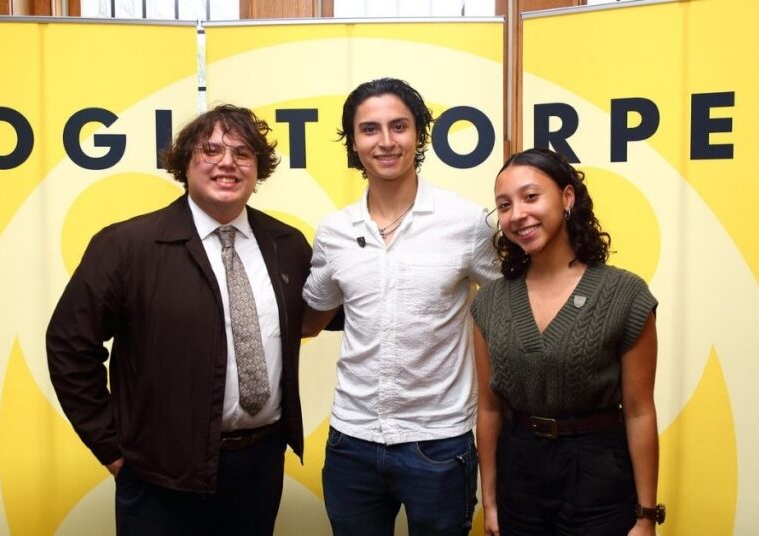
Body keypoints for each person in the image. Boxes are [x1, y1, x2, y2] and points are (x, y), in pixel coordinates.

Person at [47, 104, 310, 535]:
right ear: (184, 162)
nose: (227, 163)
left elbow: (330, 311)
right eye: (211, 150)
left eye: (243, 153)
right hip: (158, 475)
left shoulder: (286, 244)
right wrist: (112, 449)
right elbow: (69, 347)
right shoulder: (126, 246)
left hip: (258, 468)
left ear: (257, 170)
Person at [301, 77, 500, 535]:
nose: (386, 141)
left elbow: (512, 301)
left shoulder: (466, 222)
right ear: (353, 142)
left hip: (439, 442)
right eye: (370, 129)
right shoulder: (334, 231)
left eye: (399, 126)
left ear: (419, 134)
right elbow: (311, 317)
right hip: (351, 441)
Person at [471, 148, 663, 535]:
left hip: (599, 474)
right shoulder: (490, 302)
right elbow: (489, 410)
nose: (517, 214)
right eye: (504, 205)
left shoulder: (624, 294)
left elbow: (640, 411)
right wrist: (491, 502)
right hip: (519, 473)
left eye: (530, 197)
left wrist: (645, 517)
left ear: (567, 197)